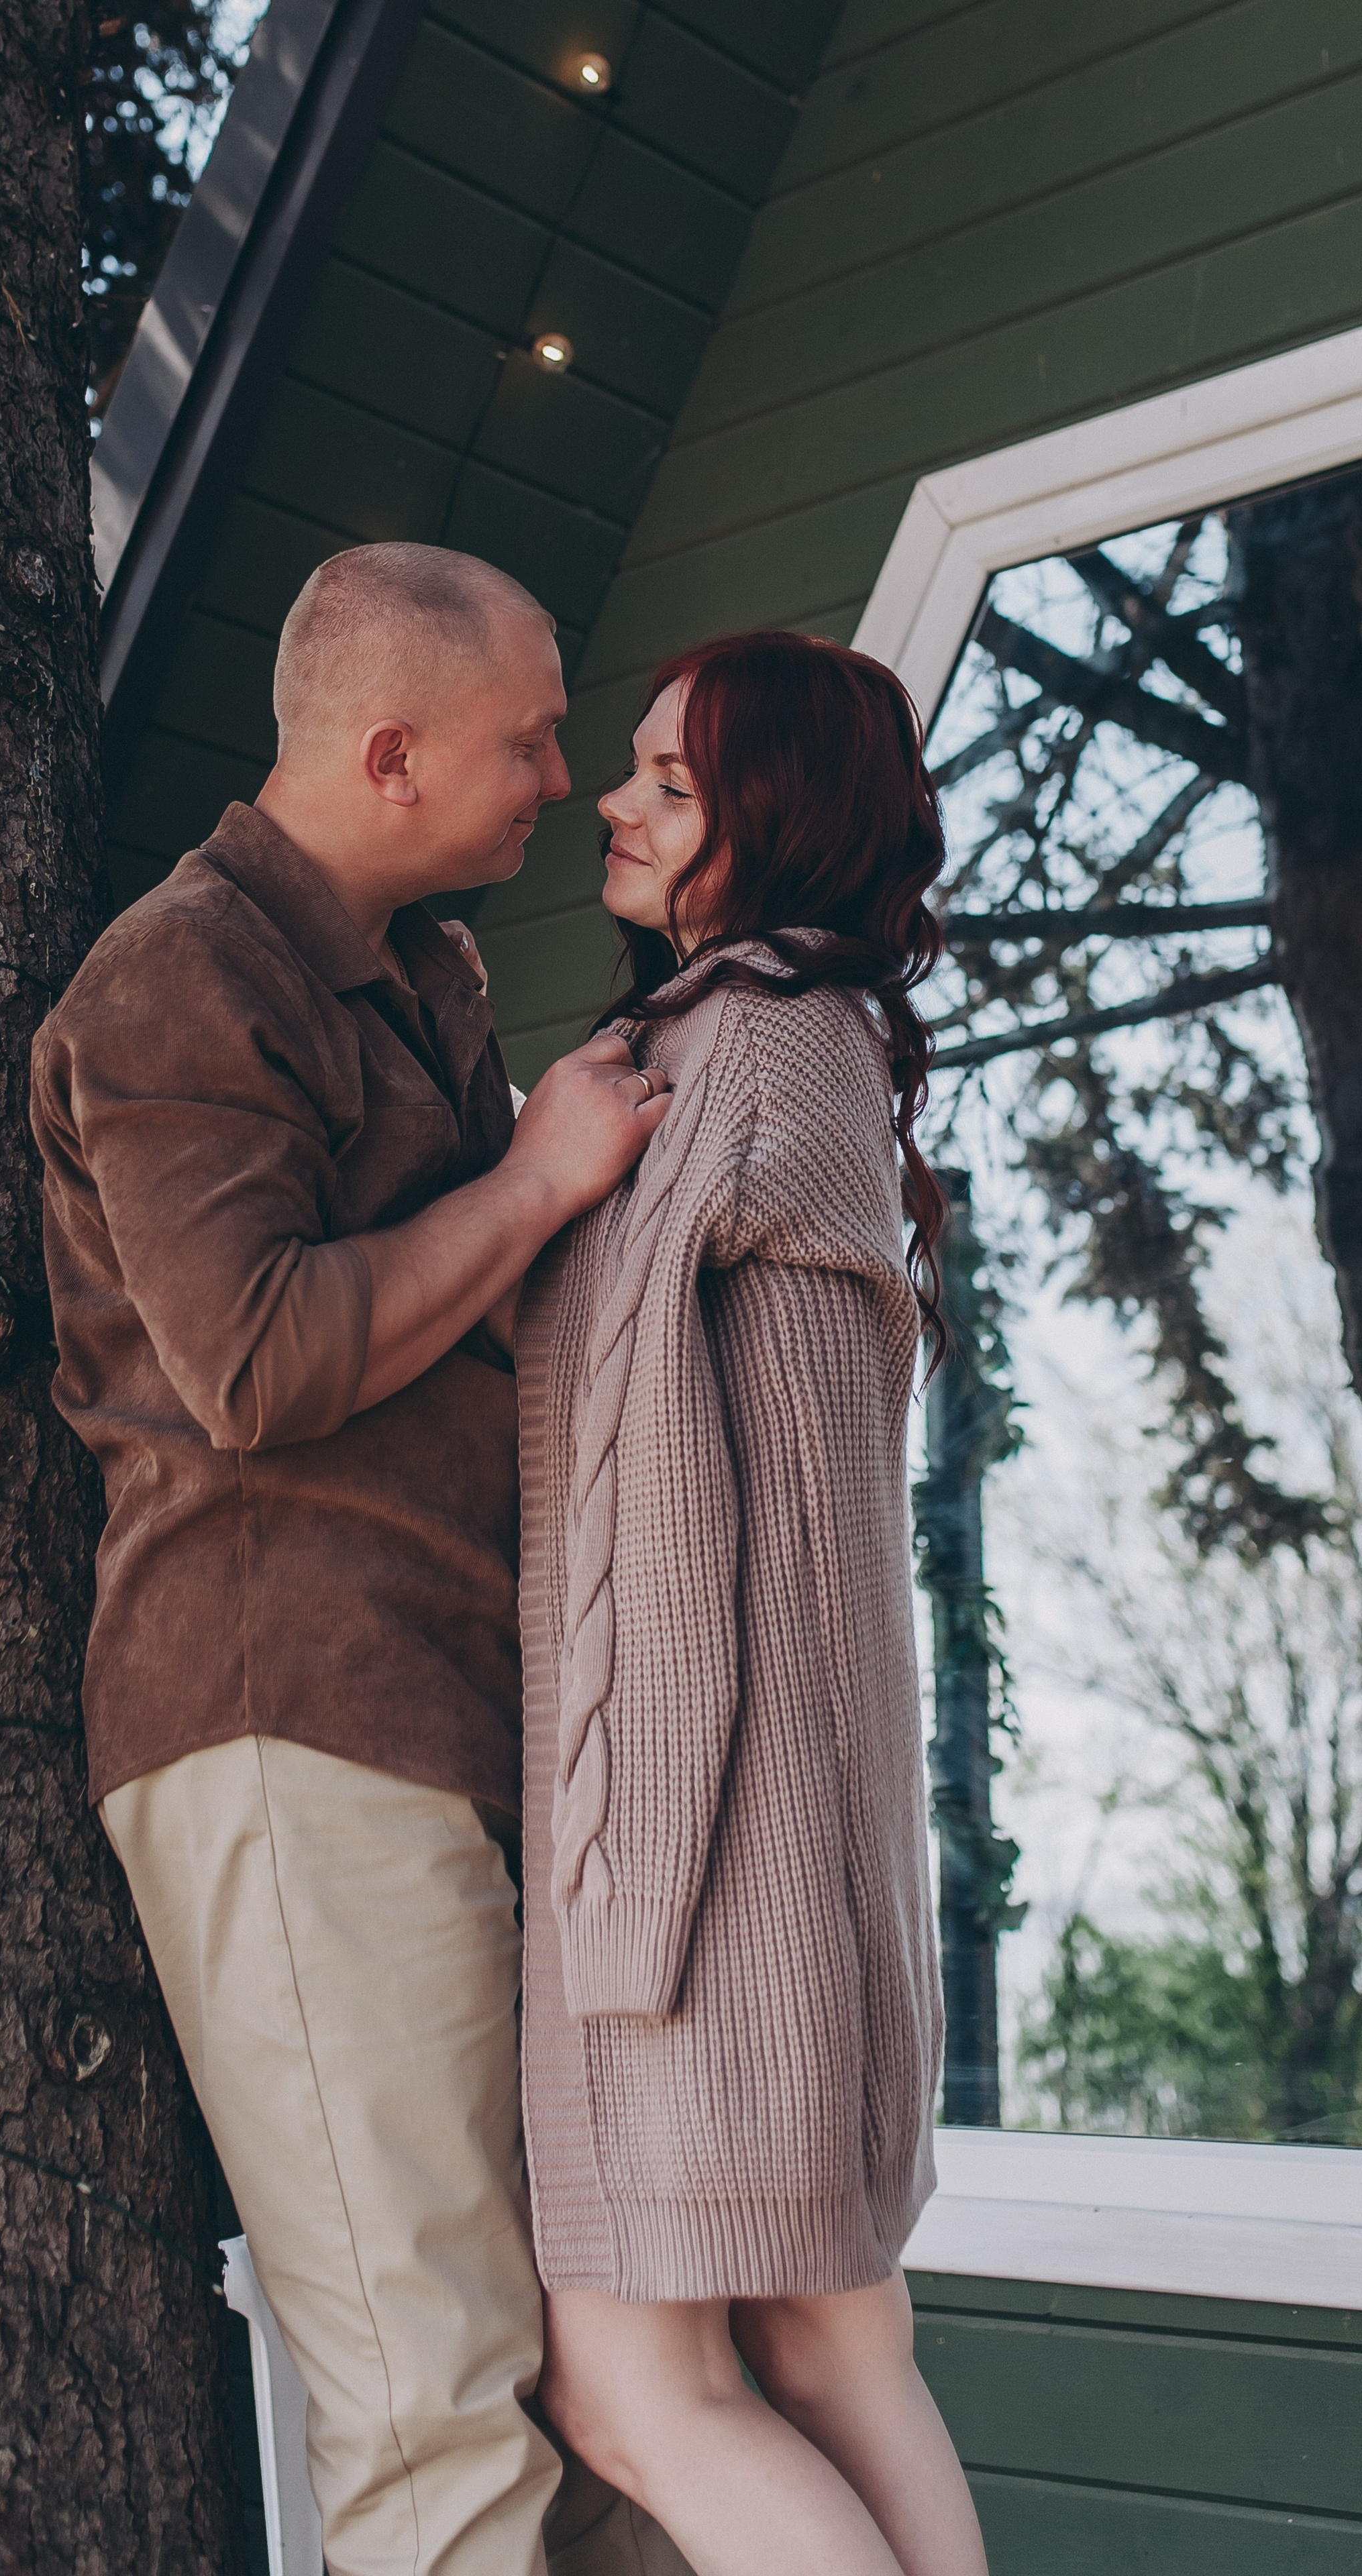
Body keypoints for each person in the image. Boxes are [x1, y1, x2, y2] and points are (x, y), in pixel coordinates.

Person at [30, 543, 686, 2576]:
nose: (565, 780)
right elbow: (257, 1356)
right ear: (389, 754)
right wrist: (543, 1178)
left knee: (610, 2399)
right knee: (435, 2417)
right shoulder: (180, 976)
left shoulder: (431, 978)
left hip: (459, 1722)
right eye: (528, 740)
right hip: (288, 1732)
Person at [513, 629, 991, 2576]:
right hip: (827, 1868)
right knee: (843, 2357)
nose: (613, 808)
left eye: (671, 783)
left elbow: (657, 1530)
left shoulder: (720, 1056)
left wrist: (609, 1916)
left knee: (640, 2394)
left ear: (775, 823)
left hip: (699, 1883)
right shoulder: (832, 1053)